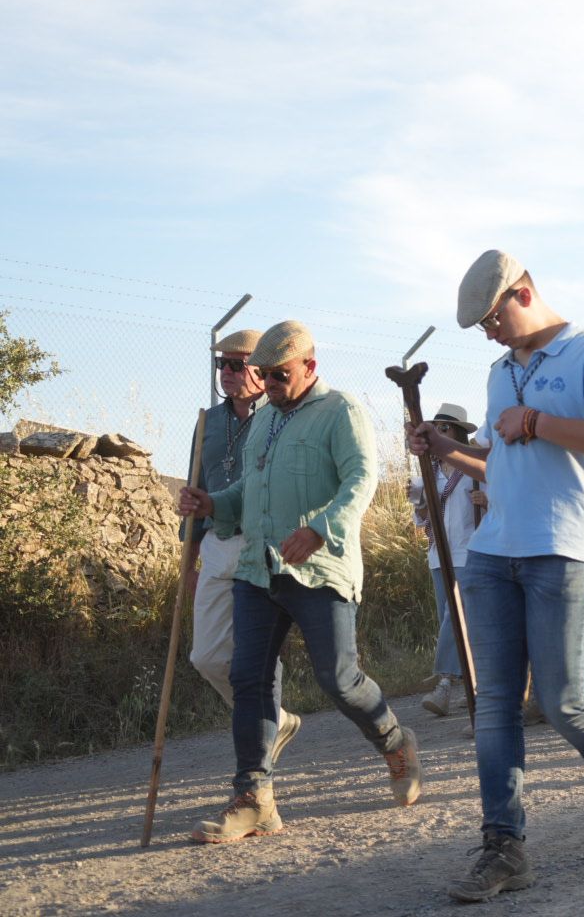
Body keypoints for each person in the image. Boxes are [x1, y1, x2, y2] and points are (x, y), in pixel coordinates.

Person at [410, 251, 584, 901]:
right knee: (495, 702)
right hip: (493, 553)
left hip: (566, 550)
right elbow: (500, 461)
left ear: (523, 293)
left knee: (564, 700)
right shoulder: (498, 374)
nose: (489, 334)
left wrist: (539, 422)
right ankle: (504, 846)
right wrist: (447, 449)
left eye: (492, 319)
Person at [177, 321, 416, 844]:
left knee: (339, 679)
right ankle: (254, 799)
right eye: (263, 373)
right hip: (258, 570)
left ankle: (397, 743)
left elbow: (361, 479)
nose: (270, 382)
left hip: (318, 568)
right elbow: (249, 486)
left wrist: (320, 528)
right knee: (248, 680)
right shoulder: (265, 422)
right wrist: (213, 503)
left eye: (279, 374)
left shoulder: (341, 411)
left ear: (310, 365)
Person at [184, 328, 301, 765]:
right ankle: (274, 717)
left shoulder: (280, 417)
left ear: (261, 368)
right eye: (222, 365)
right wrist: (190, 559)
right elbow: (196, 485)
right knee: (206, 655)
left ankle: (260, 731)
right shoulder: (206, 421)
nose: (227, 373)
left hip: (260, 544)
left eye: (237, 365)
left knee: (258, 651)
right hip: (216, 542)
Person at [409, 403, 480, 717]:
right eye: (435, 429)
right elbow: (420, 519)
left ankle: (444, 685)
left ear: (459, 434)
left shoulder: (472, 470)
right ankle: (472, 685)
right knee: (449, 621)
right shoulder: (429, 472)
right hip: (439, 554)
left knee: (456, 617)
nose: (439, 434)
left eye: (445, 429)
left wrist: (487, 499)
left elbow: (497, 501)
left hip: (469, 551)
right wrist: (418, 501)